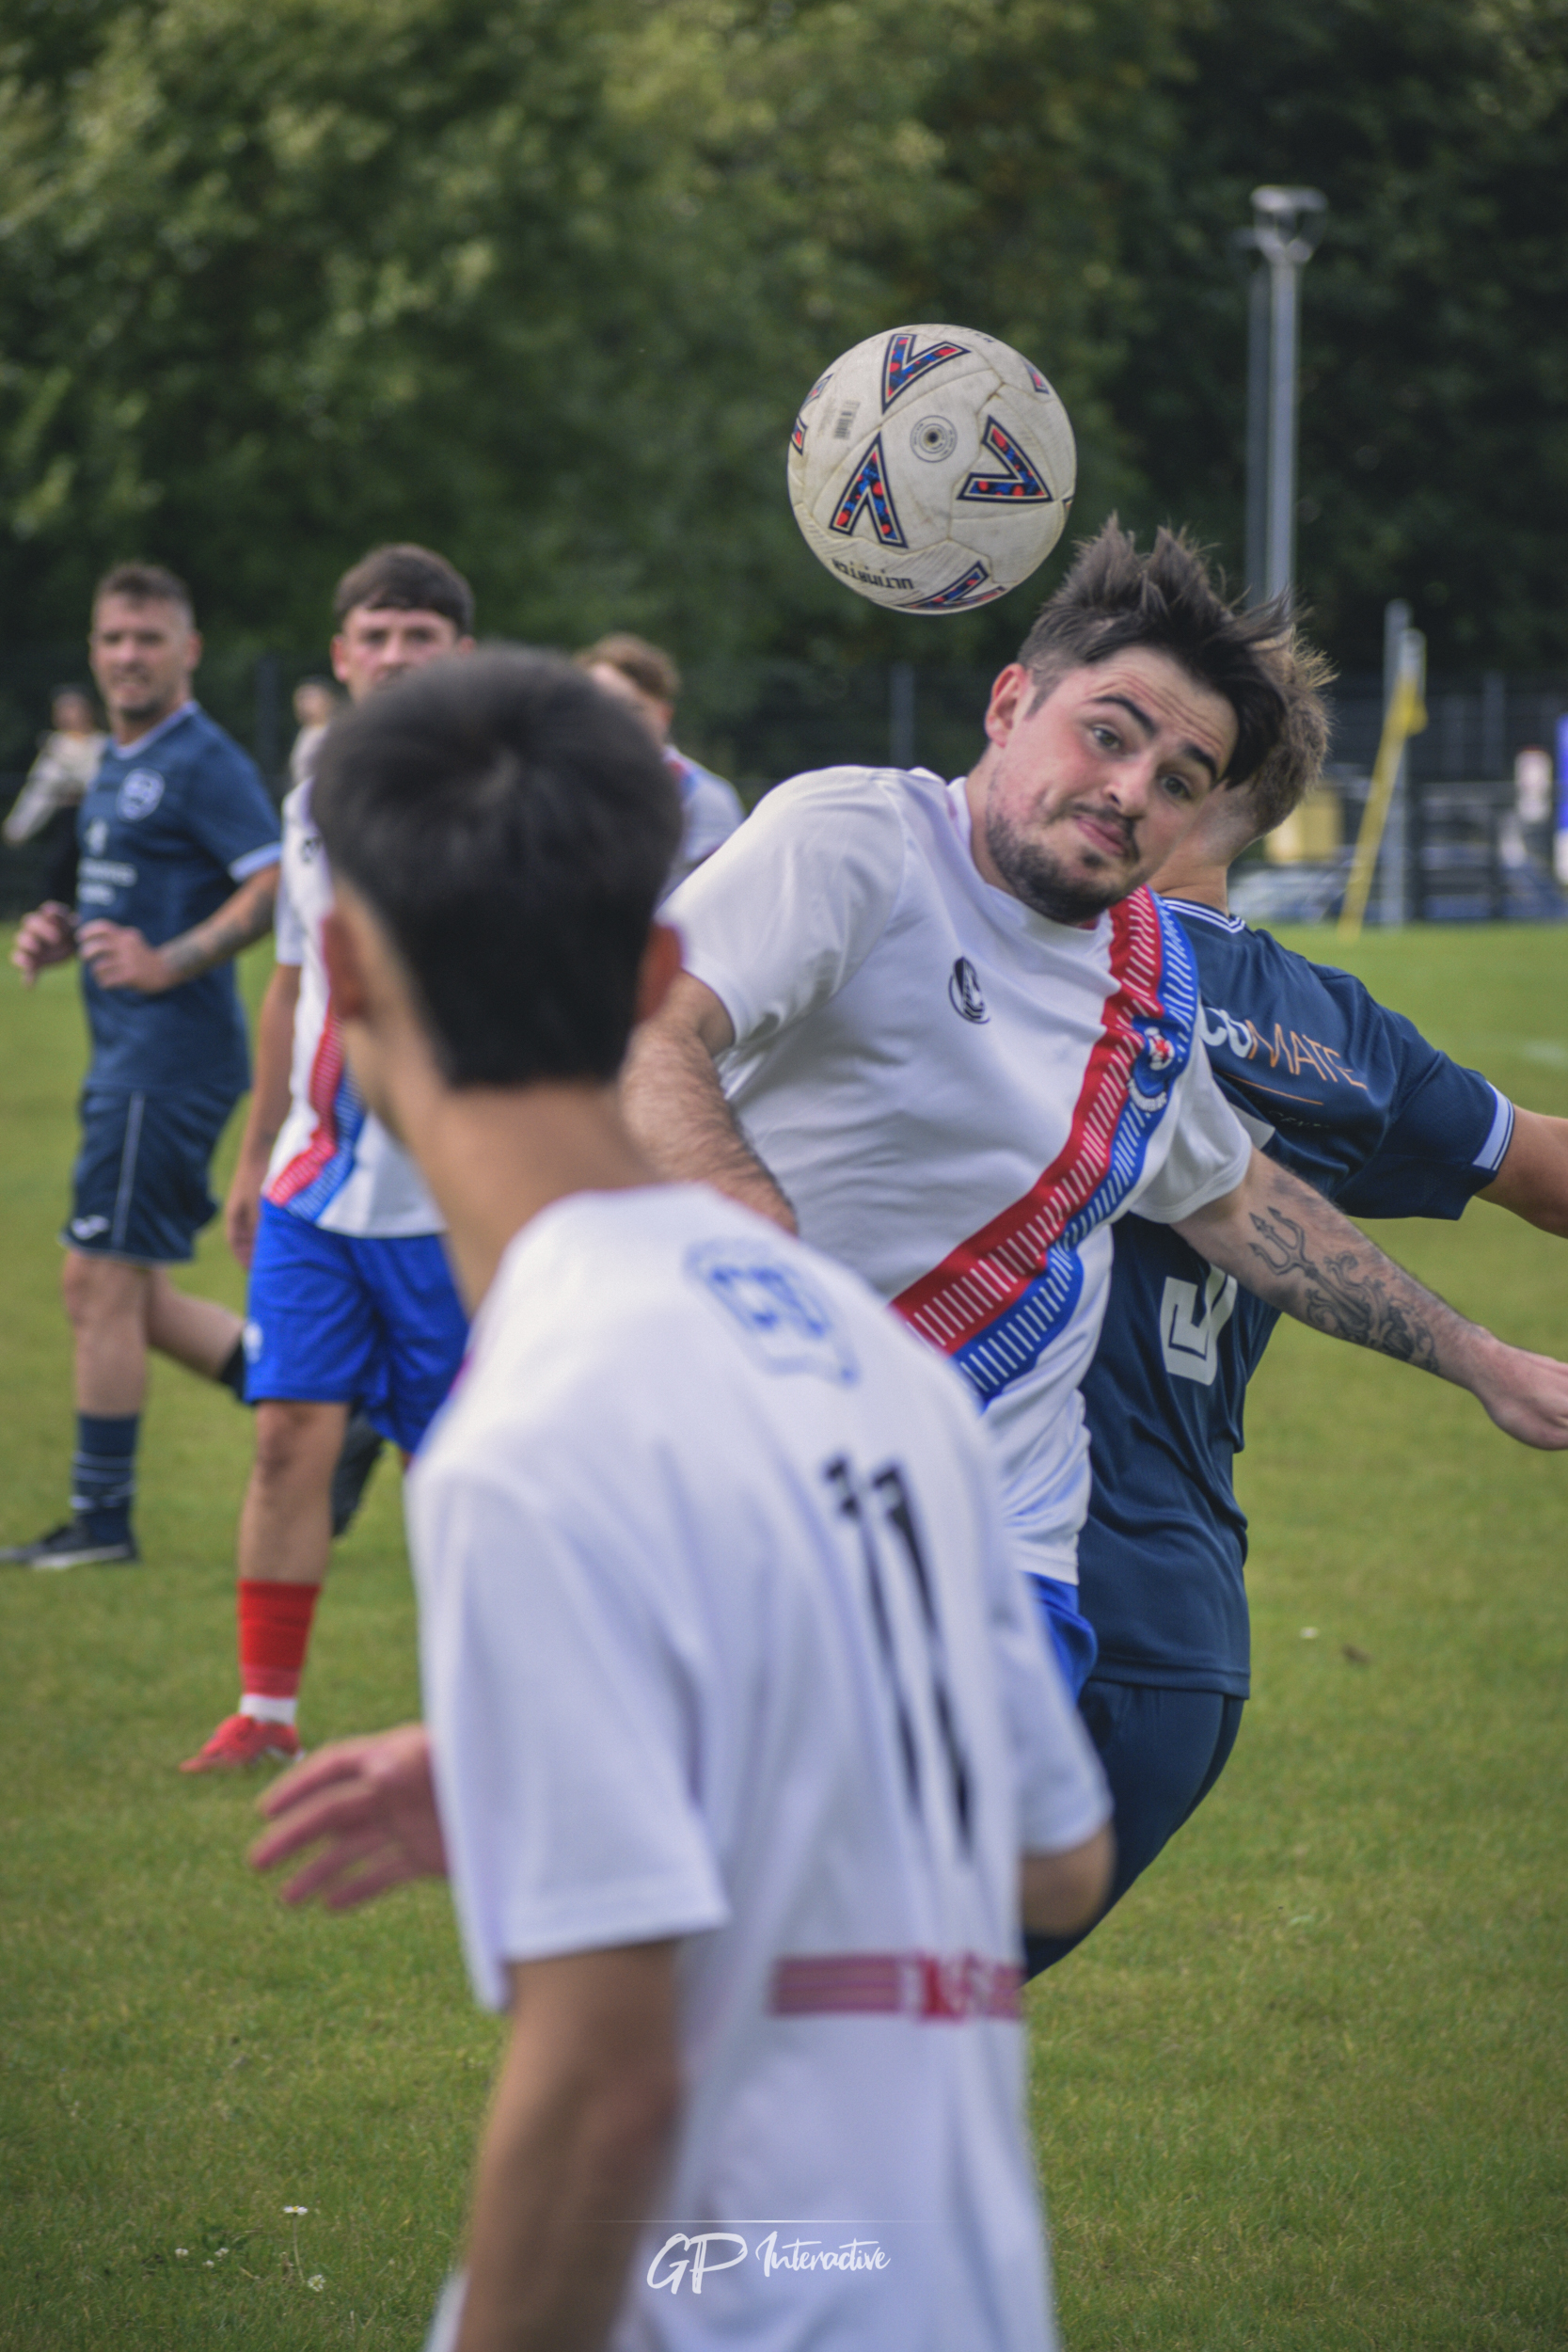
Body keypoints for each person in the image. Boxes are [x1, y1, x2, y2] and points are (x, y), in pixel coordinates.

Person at [248, 648, 1114, 2352]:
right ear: (655, 961)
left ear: (342, 975)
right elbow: (1055, 1861)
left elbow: (609, 2091)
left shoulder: (541, 1424)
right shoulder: (872, 1361)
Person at [622, 522, 1568, 1705]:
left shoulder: (1148, 994)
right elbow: (648, 1029)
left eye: (1176, 781)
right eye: (1106, 734)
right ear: (1008, 703)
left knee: (990, 1858)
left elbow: (1233, 1200)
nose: (1129, 790)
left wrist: (1482, 1360)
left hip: (1004, 1545)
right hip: (766, 1461)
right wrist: (744, 1219)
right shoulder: (859, 838)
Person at [1028, 691, 1568, 1965]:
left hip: (1022, 1576)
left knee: (784, 2031)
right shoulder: (1335, 1037)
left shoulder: (1031, 957)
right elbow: (1545, 1175)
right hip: (1174, 1630)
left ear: (1206, 784)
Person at [181, 546, 474, 1772]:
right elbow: (291, 987)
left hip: (450, 1207)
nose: (396, 655)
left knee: (460, 1473)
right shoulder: (309, 798)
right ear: (341, 655)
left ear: (457, 651)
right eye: (376, 635)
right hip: (311, 1193)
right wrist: (255, 1156)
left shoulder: (501, 792)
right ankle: (265, 1717)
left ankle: (484, 1727)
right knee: (286, 1436)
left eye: (420, 634)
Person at [3, 564, 281, 1570]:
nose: (129, 656)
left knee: (97, 1285)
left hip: (168, 1064)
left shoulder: (201, 759)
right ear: (93, 649)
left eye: (149, 639)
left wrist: (173, 960)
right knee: (131, 1293)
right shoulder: (111, 761)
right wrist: (62, 930)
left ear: (187, 650)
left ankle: (102, 1523)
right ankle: (334, 1402)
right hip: (125, 1054)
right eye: (114, 638)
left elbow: (273, 880)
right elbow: (131, 891)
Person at [577, 632, 745, 896]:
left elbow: (726, 903)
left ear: (663, 715)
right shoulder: (559, 785)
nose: (610, 721)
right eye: (596, 708)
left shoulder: (703, 797)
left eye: (630, 708)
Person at [3, 688, 108, 905]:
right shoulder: (57, 747)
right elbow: (39, 791)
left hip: (100, 819)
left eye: (72, 708)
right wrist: (19, 826)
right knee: (59, 870)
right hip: (70, 818)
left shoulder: (104, 745)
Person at [288, 677, 341, 792]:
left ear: (329, 700)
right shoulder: (305, 732)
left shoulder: (336, 732)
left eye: (310, 698)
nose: (303, 704)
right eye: (300, 698)